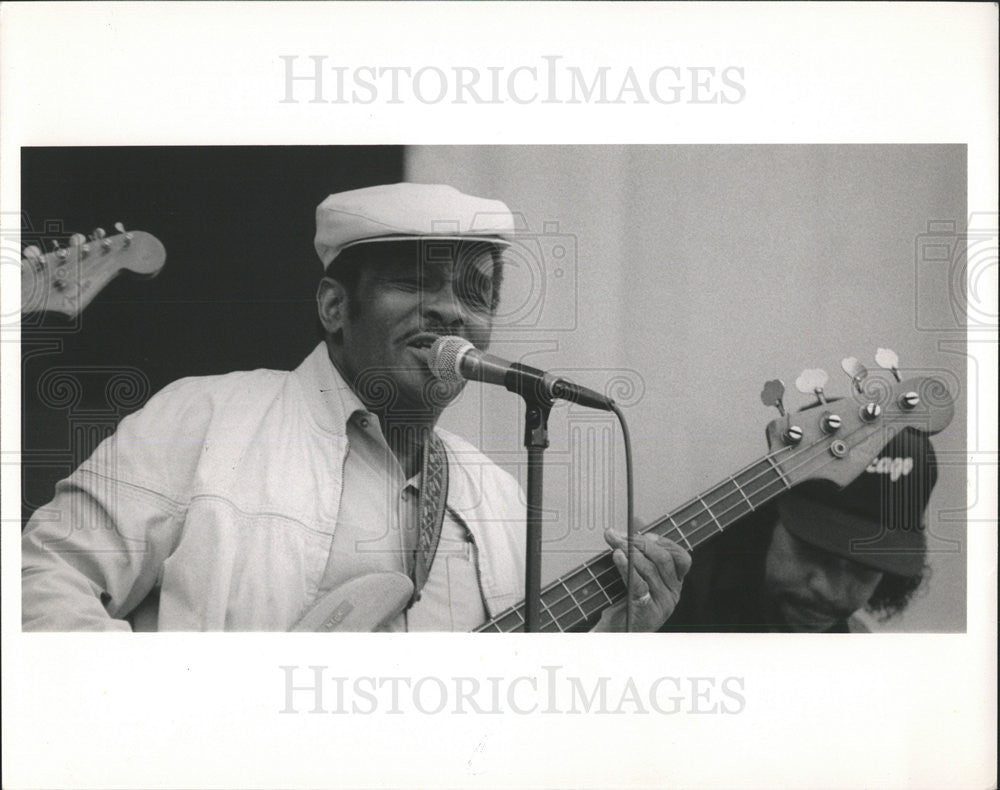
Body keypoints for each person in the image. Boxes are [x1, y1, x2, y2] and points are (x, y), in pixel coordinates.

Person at [21, 182, 690, 632]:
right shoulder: (202, 418)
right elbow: (40, 583)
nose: (453, 309)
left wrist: (610, 639)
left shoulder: (499, 500)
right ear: (333, 306)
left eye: (477, 292)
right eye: (416, 281)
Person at [660, 427, 936, 633]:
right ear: (768, 520)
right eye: (813, 551)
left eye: (864, 569)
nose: (832, 592)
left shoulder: (857, 648)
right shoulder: (661, 610)